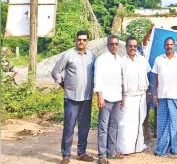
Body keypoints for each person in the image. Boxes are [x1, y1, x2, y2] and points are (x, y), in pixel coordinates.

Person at [51, 30, 97, 164]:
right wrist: (63, 86)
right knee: (69, 127)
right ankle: (66, 156)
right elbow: (55, 72)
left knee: (84, 126)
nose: (81, 42)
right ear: (76, 40)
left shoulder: (92, 56)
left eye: (84, 40)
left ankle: (81, 153)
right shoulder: (68, 55)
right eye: (79, 39)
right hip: (71, 98)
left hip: (87, 98)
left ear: (87, 41)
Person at [151, 37, 177, 156]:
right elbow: (155, 78)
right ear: (164, 46)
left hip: (176, 96)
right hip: (162, 96)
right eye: (167, 45)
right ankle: (162, 148)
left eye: (171, 44)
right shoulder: (158, 60)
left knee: (175, 123)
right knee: (162, 124)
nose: (169, 47)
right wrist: (155, 94)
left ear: (174, 46)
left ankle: (174, 148)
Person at [116, 36, 151, 155]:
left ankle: (138, 146)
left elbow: (148, 76)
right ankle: (124, 148)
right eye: (130, 46)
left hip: (141, 96)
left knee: (138, 121)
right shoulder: (121, 61)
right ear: (126, 47)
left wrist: (149, 93)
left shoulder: (142, 60)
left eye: (135, 46)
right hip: (127, 97)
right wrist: (120, 97)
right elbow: (118, 81)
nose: (132, 48)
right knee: (125, 122)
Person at [93, 35, 124, 164]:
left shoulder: (120, 59)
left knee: (114, 126)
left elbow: (121, 79)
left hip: (117, 97)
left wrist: (121, 96)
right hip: (105, 98)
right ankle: (102, 156)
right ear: (107, 44)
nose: (114, 46)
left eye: (116, 44)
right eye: (111, 44)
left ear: (118, 45)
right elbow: (97, 78)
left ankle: (111, 152)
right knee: (103, 127)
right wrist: (100, 96)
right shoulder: (101, 59)